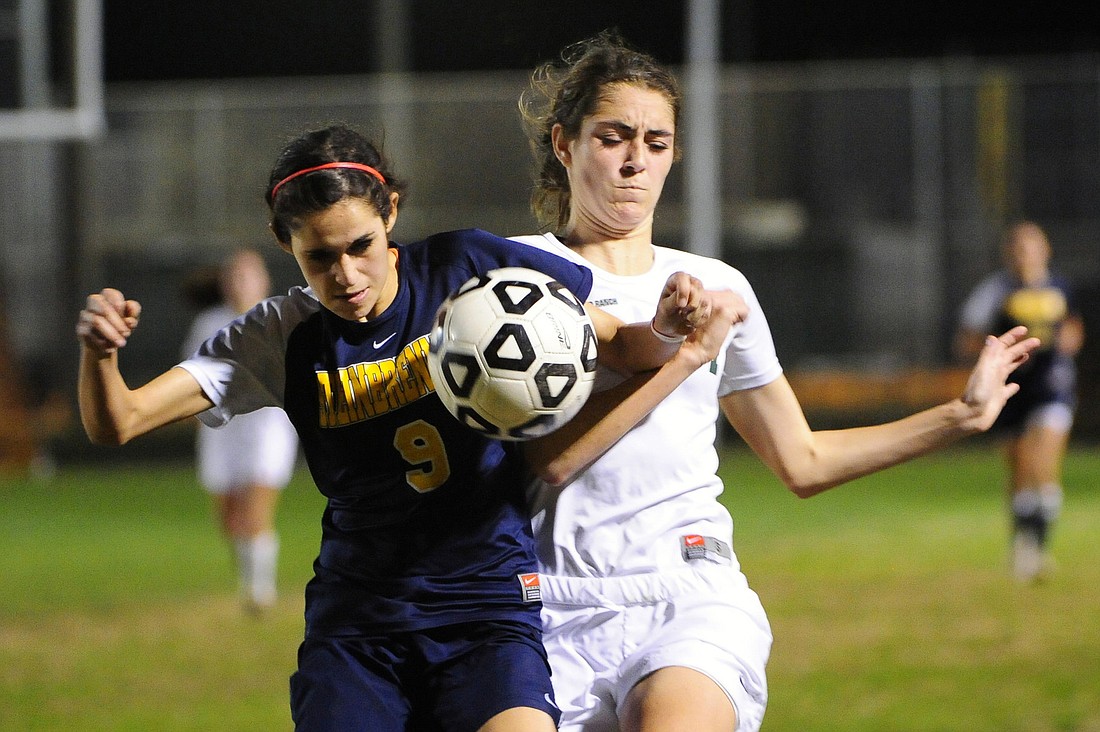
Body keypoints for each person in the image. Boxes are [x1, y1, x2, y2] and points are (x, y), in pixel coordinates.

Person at [75, 124, 741, 732]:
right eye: (319, 257)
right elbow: (121, 421)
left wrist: (668, 328)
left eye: (361, 246)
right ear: (286, 246)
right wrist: (101, 355)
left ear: (391, 211)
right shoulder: (282, 336)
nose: (346, 274)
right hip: (360, 624)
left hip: (486, 609)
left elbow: (619, 345)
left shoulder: (469, 266)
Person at [511, 32, 1041, 732]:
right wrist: (679, 352)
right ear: (563, 143)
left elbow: (802, 460)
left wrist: (959, 417)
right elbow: (543, 462)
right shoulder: (518, 279)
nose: (637, 160)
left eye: (658, 141)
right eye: (613, 137)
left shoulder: (722, 286)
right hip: (545, 605)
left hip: (687, 594)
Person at [955, 220, 1085, 582]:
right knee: (1020, 472)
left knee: (1042, 462)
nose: (1025, 253)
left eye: (1032, 245)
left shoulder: (1060, 288)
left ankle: (1038, 550)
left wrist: (1065, 343)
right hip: (1011, 390)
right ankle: (1023, 545)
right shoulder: (995, 290)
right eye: (1018, 247)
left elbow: (1074, 327)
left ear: (1045, 250)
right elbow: (967, 336)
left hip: (1052, 387)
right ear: (1008, 253)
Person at [180, 249, 300, 613]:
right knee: (230, 519)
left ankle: (260, 592)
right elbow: (189, 375)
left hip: (266, 430)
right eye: (234, 276)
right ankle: (250, 578)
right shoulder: (208, 323)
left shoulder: (280, 319)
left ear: (264, 281)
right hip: (221, 432)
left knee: (255, 510)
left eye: (249, 275)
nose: (241, 283)